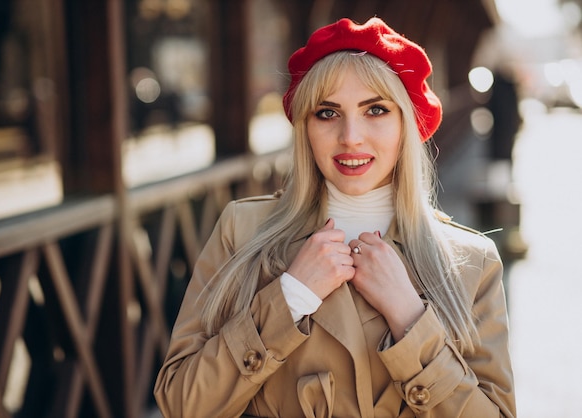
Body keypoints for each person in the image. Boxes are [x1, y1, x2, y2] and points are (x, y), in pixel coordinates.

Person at [154, 17, 515, 417]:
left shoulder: (470, 260)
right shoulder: (243, 231)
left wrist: (410, 319)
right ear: (305, 128)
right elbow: (181, 404)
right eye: (327, 113)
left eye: (375, 110)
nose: (350, 136)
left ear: (406, 125)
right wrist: (289, 298)